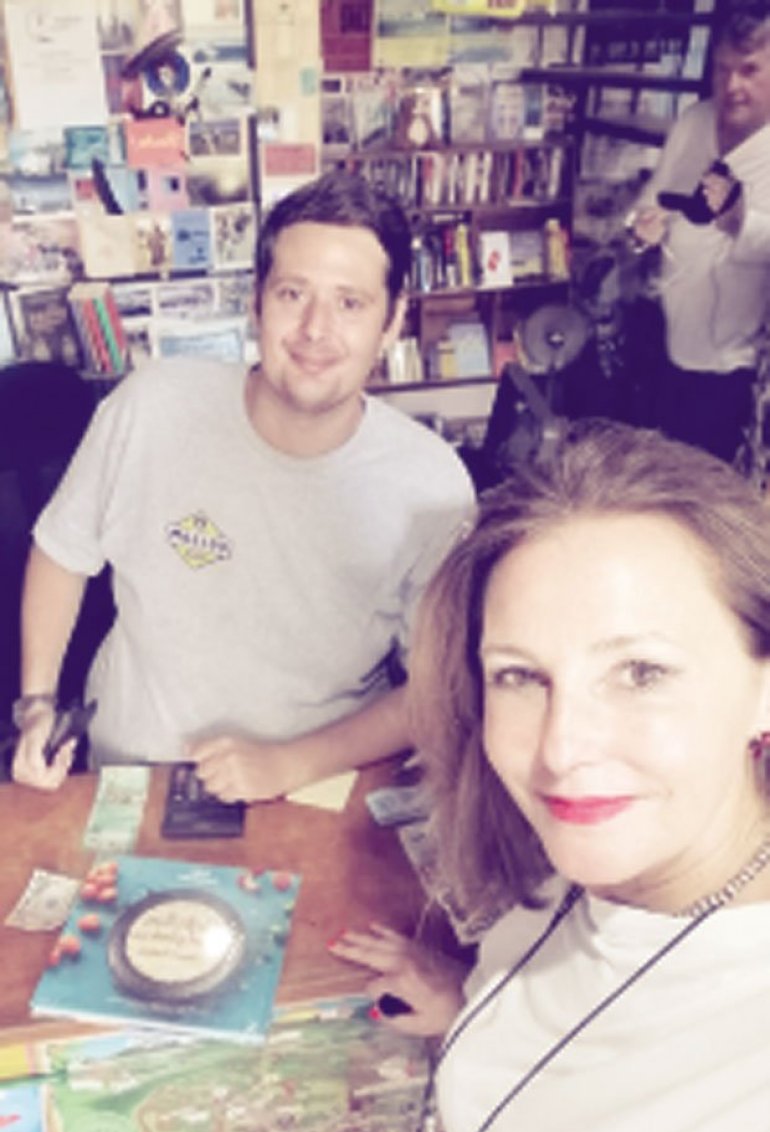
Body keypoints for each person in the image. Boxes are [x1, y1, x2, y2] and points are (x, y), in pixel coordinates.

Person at [331, 420, 770, 1132]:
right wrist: (476, 1005)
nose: (561, 749)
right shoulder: (579, 866)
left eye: (641, 671)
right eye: (521, 675)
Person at [11, 171, 474, 800]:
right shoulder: (151, 405)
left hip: (315, 788)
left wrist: (290, 764)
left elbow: (439, 691)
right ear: (256, 303)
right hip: (131, 769)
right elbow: (62, 552)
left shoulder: (433, 485)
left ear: (392, 322)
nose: (315, 329)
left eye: (350, 303)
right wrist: (37, 703)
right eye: (292, 293)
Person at [627, 1, 770, 464]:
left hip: (735, 371)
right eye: (723, 69)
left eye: (749, 70)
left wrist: (739, 223)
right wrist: (642, 229)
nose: (732, 86)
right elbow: (651, 200)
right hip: (667, 345)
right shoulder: (694, 121)